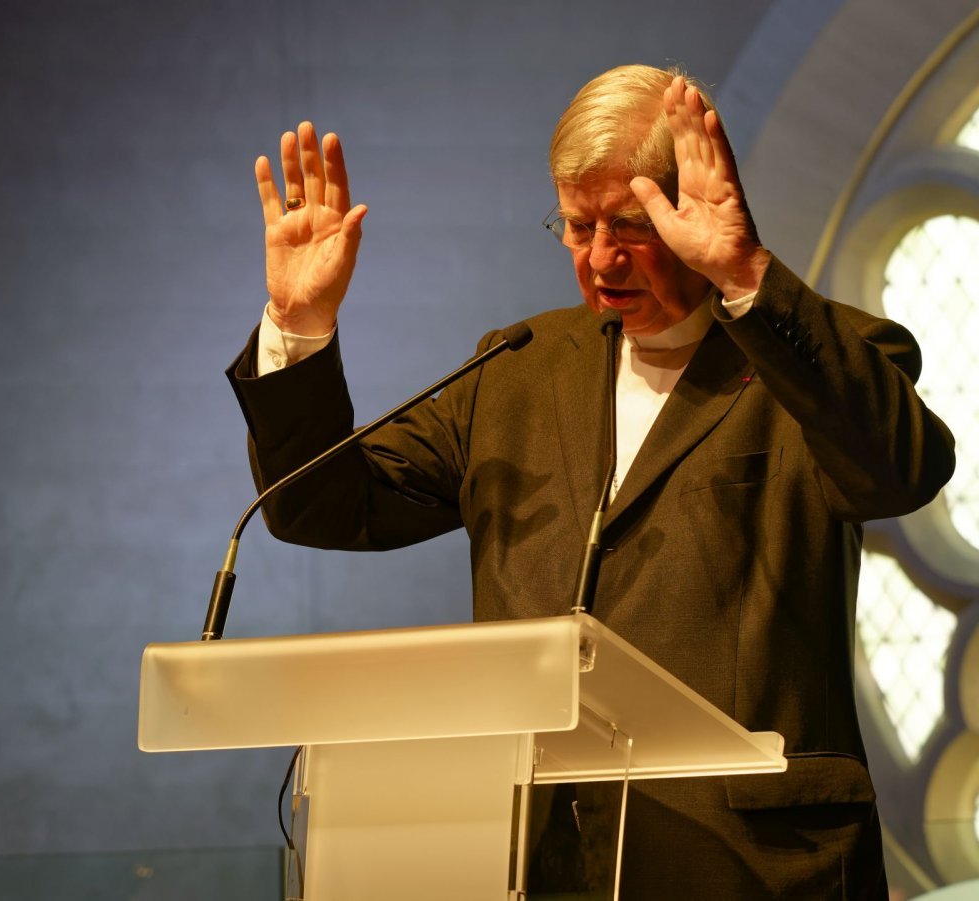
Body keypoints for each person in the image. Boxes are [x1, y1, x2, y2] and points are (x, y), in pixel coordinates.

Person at [227, 64, 956, 899]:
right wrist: (300, 325)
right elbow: (317, 502)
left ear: (690, 210)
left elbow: (901, 473)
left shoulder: (816, 358)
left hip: (750, 865)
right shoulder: (517, 370)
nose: (600, 258)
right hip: (534, 863)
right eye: (576, 227)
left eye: (629, 225)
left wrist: (747, 275)